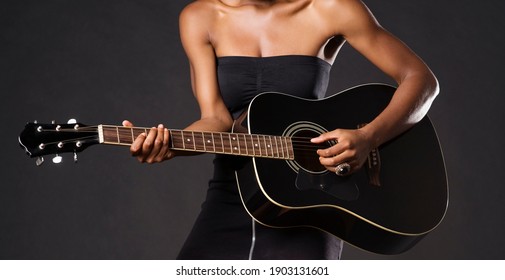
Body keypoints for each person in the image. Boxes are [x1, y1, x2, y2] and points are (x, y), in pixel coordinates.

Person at [122, 0, 439, 259]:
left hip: (310, 198)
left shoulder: (330, 7)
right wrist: (170, 144)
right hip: (232, 191)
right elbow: (216, 119)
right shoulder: (200, 17)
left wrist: (369, 137)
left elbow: (421, 80)